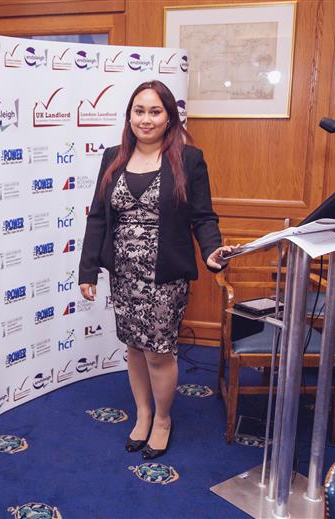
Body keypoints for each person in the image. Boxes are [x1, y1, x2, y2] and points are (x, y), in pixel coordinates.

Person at [78, 80, 231, 460]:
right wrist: (87, 271)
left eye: (155, 111)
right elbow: (98, 217)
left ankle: (163, 419)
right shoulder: (112, 157)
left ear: (169, 118)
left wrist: (212, 251)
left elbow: (203, 216)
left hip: (165, 276)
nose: (145, 119)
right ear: (129, 116)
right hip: (124, 275)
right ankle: (143, 414)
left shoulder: (189, 160)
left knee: (159, 352)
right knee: (133, 346)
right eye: (139, 111)